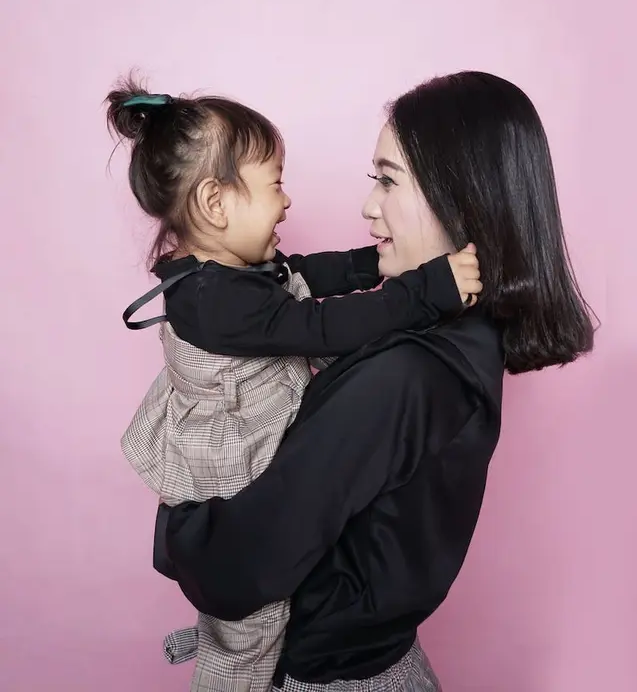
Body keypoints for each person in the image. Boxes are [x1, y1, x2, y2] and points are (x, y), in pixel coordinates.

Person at [155, 71, 595, 692]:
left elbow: (236, 572)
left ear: (461, 197)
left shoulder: (403, 376)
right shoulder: (460, 340)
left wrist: (174, 526)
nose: (367, 206)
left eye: (388, 180)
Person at [106, 78, 482, 692]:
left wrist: (370, 262)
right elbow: (317, 324)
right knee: (257, 617)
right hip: (228, 461)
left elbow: (303, 274)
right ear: (215, 204)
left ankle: (216, 633)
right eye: (274, 183)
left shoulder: (231, 274)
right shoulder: (210, 301)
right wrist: (423, 290)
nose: (286, 203)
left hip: (252, 440)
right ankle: (227, 660)